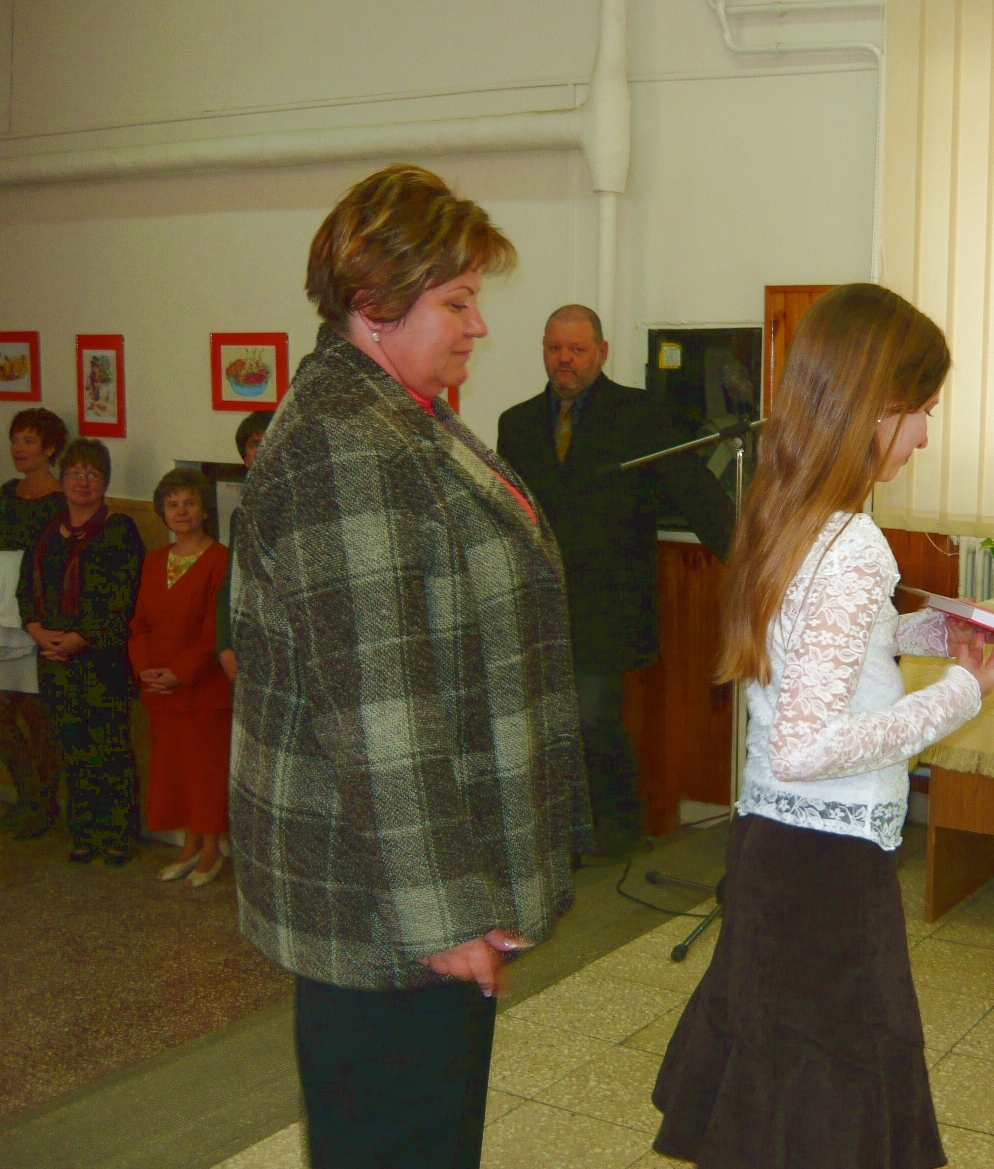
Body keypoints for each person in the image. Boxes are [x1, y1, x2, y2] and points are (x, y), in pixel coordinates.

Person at [230, 163, 591, 1169]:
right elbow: (379, 711)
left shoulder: (401, 416)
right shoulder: (348, 445)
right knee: (397, 1140)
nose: (479, 326)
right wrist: (444, 918)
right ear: (373, 304)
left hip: (413, 879)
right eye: (458, 302)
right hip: (383, 906)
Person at [651, 283, 994, 1169]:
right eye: (922, 412)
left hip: (774, 848)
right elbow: (806, 746)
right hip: (824, 868)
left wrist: (931, 633)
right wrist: (963, 691)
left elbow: (824, 649)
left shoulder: (788, 512)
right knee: (828, 1108)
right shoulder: (853, 544)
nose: (924, 435)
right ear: (874, 406)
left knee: (781, 1106)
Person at [497, 304, 734, 858]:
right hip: (537, 603)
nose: (564, 359)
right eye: (555, 348)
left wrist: (750, 560)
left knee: (593, 718)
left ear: (601, 353)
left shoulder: (639, 414)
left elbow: (695, 491)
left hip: (608, 603)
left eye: (577, 350)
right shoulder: (516, 423)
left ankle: (616, 829)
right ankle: (560, 831)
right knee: (544, 724)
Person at [18, 437, 145, 865]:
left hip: (101, 658)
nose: (83, 482)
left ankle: (117, 835)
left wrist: (80, 638)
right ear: (63, 479)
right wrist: (36, 630)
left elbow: (123, 597)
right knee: (72, 747)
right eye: (75, 473)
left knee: (110, 747)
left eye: (93, 475)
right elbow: (26, 588)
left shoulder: (119, 530)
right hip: (53, 658)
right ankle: (85, 832)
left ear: (105, 482)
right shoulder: (47, 530)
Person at [129, 467, 232, 887]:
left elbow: (215, 629)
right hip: (160, 689)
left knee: (205, 773)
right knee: (175, 773)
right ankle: (188, 847)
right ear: (162, 512)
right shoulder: (154, 561)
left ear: (204, 510)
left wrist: (180, 672)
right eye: (173, 504)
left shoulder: (221, 558)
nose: (182, 511)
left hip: (203, 689)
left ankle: (211, 851)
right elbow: (139, 625)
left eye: (190, 502)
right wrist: (145, 671)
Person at [0, 408, 68, 839]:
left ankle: (45, 801)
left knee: (35, 712)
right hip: (0, 609)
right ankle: (26, 794)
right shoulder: (7, 492)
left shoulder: (60, 502)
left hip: (34, 612)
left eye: (28, 441)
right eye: (15, 440)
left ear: (49, 449)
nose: (18, 449)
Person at [215, 410, 269, 683]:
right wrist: (225, 646)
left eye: (272, 439)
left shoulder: (311, 510)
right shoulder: (241, 516)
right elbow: (232, 583)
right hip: (251, 644)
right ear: (246, 458)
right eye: (255, 444)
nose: (264, 449)